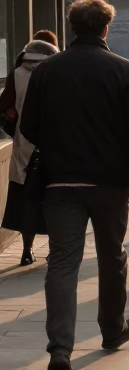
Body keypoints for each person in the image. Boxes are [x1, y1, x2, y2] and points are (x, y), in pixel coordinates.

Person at [19, 0, 129, 370]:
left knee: (63, 262)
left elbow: (28, 127)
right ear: (105, 27)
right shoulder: (123, 70)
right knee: (112, 256)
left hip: (60, 180)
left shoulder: (48, 71)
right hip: (110, 183)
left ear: (73, 28)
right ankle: (112, 329)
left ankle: (60, 348)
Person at [0, 34, 59, 266]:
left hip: (25, 145)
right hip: (57, 144)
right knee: (56, 198)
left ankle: (27, 249)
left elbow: (3, 106)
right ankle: (55, 249)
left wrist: (12, 125)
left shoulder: (17, 75)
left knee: (27, 198)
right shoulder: (58, 72)